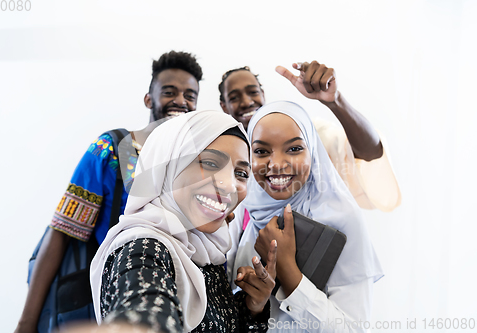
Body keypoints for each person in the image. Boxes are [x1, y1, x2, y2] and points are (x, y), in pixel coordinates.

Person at [15, 51, 203, 333]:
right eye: (169, 91)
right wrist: (26, 324)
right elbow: (63, 230)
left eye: (190, 95)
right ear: (148, 99)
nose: (180, 101)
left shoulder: (196, 162)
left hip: (174, 308)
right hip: (105, 303)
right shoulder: (112, 150)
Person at [90, 110, 277, 332]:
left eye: (241, 173)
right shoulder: (143, 249)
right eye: (210, 163)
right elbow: (144, 312)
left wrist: (252, 307)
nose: (229, 185)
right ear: (166, 166)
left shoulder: (201, 248)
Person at [226, 101, 383, 333]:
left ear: (313, 151)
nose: (276, 164)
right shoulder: (246, 206)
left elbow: (353, 329)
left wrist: (289, 273)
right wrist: (254, 305)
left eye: (294, 149)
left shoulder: (340, 217)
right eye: (260, 151)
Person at [218, 62, 401, 212]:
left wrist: (335, 101)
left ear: (263, 94)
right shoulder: (222, 154)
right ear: (224, 106)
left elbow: (370, 153)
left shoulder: (306, 132)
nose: (247, 101)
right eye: (234, 97)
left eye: (294, 149)